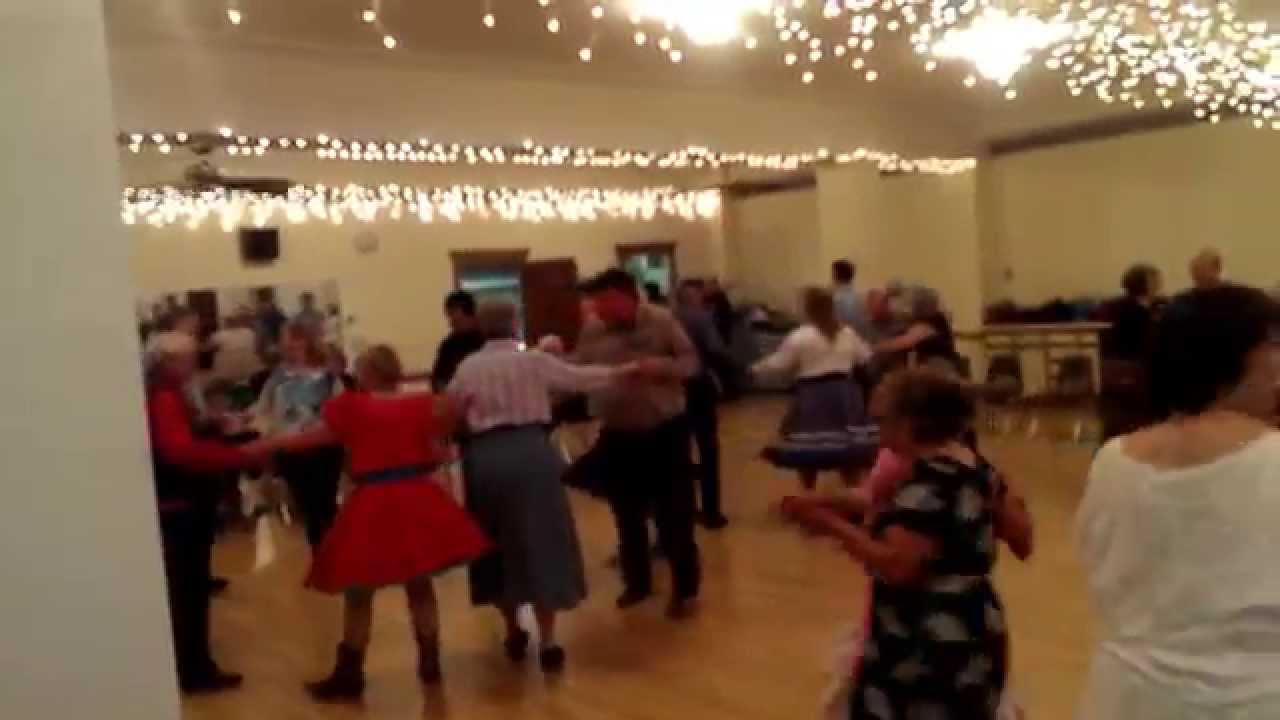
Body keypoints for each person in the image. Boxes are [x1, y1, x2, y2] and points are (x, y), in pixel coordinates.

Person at [1076, 285, 1280, 718]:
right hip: (1252, 699)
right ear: (1239, 354)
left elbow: (1095, 562)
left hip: (1127, 697)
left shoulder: (1112, 460)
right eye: (1275, 345)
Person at [791, 369, 1032, 719]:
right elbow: (1023, 539)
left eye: (883, 421)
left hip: (928, 640)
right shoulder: (979, 468)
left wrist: (830, 525)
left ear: (910, 423)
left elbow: (898, 566)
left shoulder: (928, 483)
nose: (880, 434)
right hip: (976, 623)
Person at [263, 345, 491, 703]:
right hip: (417, 495)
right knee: (419, 583)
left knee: (359, 592)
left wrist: (271, 444)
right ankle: (429, 664)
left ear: (367, 373)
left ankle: (349, 673)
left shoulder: (351, 407)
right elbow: (438, 452)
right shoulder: (422, 404)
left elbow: (316, 438)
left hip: (374, 498)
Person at [449, 301, 631, 671]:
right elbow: (580, 379)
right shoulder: (531, 361)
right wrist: (627, 370)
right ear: (514, 324)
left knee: (494, 544)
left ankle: (513, 627)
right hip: (532, 452)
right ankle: (548, 640)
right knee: (543, 540)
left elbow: (450, 410)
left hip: (485, 458)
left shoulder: (467, 367)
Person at [144, 332, 271, 694]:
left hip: (181, 503)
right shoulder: (165, 397)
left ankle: (195, 666)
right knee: (188, 592)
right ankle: (195, 670)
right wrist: (238, 455)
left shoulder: (166, 393)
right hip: (181, 505)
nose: (193, 362)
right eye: (185, 357)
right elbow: (179, 451)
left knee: (189, 590)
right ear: (166, 361)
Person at [575, 268, 702, 619]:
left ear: (623, 297)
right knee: (626, 512)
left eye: (601, 300)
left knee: (673, 513)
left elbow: (691, 364)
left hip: (664, 431)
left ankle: (685, 589)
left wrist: (657, 367)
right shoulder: (592, 330)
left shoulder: (661, 321)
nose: (595, 308)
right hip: (618, 432)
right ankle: (637, 582)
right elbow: (580, 369)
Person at [753, 287, 875, 493]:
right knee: (849, 449)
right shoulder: (847, 333)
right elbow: (865, 356)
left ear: (808, 309)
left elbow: (780, 363)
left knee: (808, 448)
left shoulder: (801, 336)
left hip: (814, 395)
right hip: (845, 394)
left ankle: (808, 494)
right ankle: (854, 494)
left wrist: (755, 368)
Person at [256, 322, 344, 549]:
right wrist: (268, 434)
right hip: (291, 448)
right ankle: (319, 555)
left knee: (326, 502)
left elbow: (341, 407)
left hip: (324, 447)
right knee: (305, 506)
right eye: (285, 340)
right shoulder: (277, 376)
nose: (289, 345)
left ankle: (334, 554)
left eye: (295, 339)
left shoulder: (327, 375)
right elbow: (264, 409)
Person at [674, 279, 731, 529]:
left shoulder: (667, 318)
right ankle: (711, 512)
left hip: (673, 388)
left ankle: (683, 508)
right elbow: (716, 348)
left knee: (679, 451)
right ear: (692, 296)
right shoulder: (701, 318)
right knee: (708, 448)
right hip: (699, 386)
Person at [1098, 264, 1163, 441]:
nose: (1160, 283)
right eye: (1155, 280)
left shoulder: (1152, 307)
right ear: (1145, 284)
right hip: (1132, 368)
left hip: (1130, 367)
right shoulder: (1130, 310)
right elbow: (1143, 342)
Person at [874, 287, 960, 374]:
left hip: (942, 369)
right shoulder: (925, 320)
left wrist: (873, 348)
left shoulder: (932, 321)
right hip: (935, 367)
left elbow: (904, 342)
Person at [431, 290, 486, 392]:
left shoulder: (488, 340)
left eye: (455, 318)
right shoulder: (449, 344)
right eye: (449, 317)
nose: (451, 323)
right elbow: (438, 378)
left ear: (471, 315)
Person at [209, 309, 262, 383]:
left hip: (227, 367)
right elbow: (257, 346)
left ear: (226, 324)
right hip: (249, 365)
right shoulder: (249, 332)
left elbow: (210, 348)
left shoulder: (219, 335)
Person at [832, 259, 869, 339]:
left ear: (835, 274)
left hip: (845, 340)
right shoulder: (861, 296)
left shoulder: (836, 299)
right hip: (862, 339)